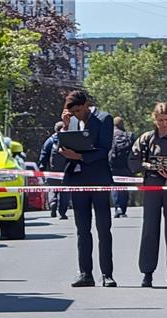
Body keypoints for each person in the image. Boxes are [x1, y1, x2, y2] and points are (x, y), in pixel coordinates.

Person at [59, 90, 116, 287]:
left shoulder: (104, 119)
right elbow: (61, 149)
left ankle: (107, 274)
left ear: (86, 105)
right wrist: (65, 128)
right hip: (78, 180)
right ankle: (85, 273)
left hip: (99, 178)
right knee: (82, 229)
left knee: (103, 228)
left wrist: (81, 157)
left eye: (78, 110)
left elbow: (104, 149)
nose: (76, 114)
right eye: (72, 112)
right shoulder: (71, 121)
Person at [128, 102, 167, 288]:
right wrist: (151, 166)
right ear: (154, 119)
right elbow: (133, 162)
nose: (164, 124)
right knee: (150, 229)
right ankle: (147, 273)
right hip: (151, 186)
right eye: (160, 120)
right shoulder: (146, 139)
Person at [38, 121, 70, 219]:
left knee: (53, 189)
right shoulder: (68, 140)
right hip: (66, 170)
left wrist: (42, 167)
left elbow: (44, 154)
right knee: (65, 191)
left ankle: (53, 203)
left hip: (52, 171)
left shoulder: (50, 140)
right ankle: (63, 212)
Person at [109, 116, 134, 218]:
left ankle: (117, 207)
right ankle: (123, 209)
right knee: (124, 186)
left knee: (115, 186)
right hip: (126, 166)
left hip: (113, 165)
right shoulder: (128, 135)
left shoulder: (109, 135)